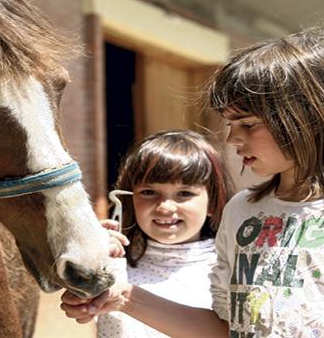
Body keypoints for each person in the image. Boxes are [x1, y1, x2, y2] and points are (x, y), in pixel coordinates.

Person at [61, 27, 324, 337]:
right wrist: (121, 297)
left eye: (247, 124)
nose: (232, 139)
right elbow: (226, 329)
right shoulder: (241, 211)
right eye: (231, 125)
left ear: (309, 120)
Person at [97, 129, 234, 337]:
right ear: (130, 200)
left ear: (212, 202)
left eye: (184, 193)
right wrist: (95, 259)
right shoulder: (114, 265)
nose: (165, 207)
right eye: (149, 192)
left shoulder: (229, 267)